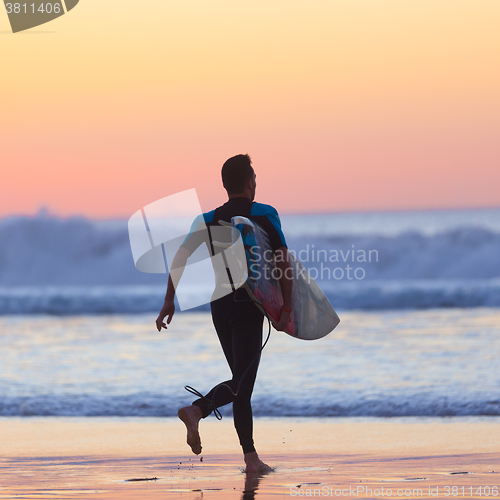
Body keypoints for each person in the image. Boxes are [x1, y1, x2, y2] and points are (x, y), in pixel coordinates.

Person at [155, 154, 293, 473]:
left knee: (240, 382)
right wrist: (285, 307)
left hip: (220, 306)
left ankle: (246, 453)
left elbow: (181, 257)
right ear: (249, 182)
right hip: (248, 304)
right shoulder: (265, 213)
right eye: (254, 178)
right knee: (242, 386)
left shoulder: (206, 219)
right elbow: (283, 260)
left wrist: (168, 301)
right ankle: (203, 416)